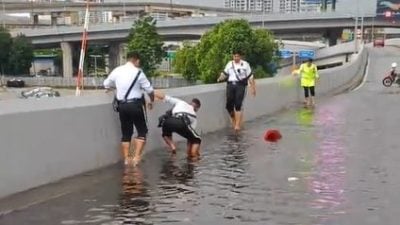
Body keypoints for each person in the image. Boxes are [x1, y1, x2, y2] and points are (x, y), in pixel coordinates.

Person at [104, 51, 155, 166]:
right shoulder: (138, 72)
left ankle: (127, 159)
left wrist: (113, 88)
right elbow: (150, 90)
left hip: (122, 106)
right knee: (142, 131)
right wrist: (151, 100)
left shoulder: (117, 70)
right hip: (135, 105)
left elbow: (106, 84)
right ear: (136, 60)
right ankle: (136, 158)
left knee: (126, 133)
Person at [217, 50, 256, 133]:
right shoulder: (229, 64)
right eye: (235, 56)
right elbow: (224, 73)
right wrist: (219, 78)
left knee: (238, 104)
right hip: (230, 85)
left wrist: (253, 88)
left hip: (240, 85)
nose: (236, 58)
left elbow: (250, 77)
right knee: (229, 105)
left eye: (238, 56)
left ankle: (237, 125)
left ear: (240, 57)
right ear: (233, 56)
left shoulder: (245, 64)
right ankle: (234, 119)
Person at [154, 90, 202, 159]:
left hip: (167, 121)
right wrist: (189, 153)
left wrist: (152, 91)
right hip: (181, 122)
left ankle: (173, 147)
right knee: (197, 139)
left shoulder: (180, 102)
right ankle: (193, 156)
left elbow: (164, 96)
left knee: (166, 135)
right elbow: (190, 138)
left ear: (190, 103)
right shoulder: (194, 117)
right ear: (197, 108)